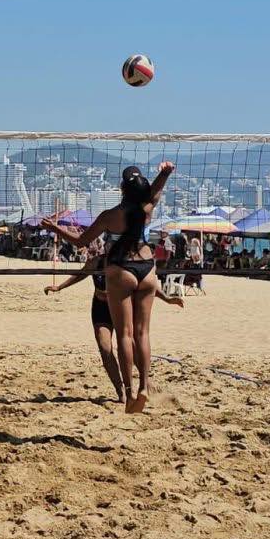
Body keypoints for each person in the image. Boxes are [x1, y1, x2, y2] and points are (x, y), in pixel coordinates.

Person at [43, 162, 175, 414]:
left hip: (121, 268)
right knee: (142, 334)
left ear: (121, 189)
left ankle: (129, 393)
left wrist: (55, 228)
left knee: (124, 335)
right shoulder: (147, 209)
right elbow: (156, 191)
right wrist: (165, 173)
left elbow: (82, 241)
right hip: (147, 268)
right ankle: (145, 386)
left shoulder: (109, 216)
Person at [45, 245, 183, 402]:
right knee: (105, 348)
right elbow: (80, 275)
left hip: (120, 306)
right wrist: (59, 287)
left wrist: (167, 299)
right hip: (101, 306)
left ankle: (145, 383)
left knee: (130, 344)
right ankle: (121, 391)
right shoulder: (97, 262)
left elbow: (148, 285)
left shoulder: (128, 265)